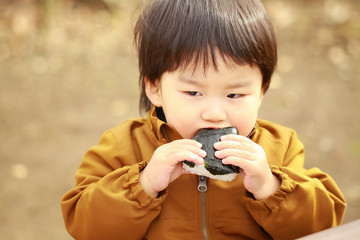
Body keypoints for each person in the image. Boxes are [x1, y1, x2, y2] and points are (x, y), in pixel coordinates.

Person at [61, 0, 346, 239]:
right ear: (155, 89)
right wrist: (145, 183)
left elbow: (323, 227)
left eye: (234, 95)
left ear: (261, 92)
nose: (214, 113)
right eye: (193, 92)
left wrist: (269, 186)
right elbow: (85, 226)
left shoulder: (280, 148)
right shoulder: (123, 146)